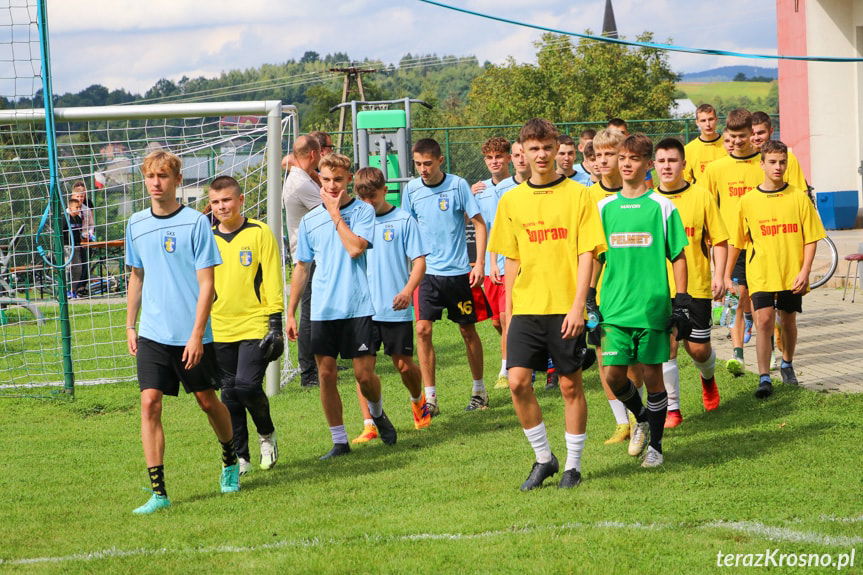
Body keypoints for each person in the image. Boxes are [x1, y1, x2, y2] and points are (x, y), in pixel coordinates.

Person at [488, 118, 605, 490]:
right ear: (521, 152)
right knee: (518, 383)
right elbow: (511, 260)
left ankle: (572, 466)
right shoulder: (511, 200)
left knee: (571, 387)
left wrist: (578, 307)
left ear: (557, 150)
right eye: (533, 148)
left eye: (547, 147)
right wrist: (508, 314)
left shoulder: (580, 195)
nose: (541, 155)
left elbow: (588, 253)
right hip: (526, 308)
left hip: (565, 307)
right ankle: (544, 458)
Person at [125, 151, 238, 515]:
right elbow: (136, 276)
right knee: (149, 402)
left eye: (162, 176)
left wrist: (196, 333)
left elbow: (207, 284)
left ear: (176, 180)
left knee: (207, 401)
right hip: (152, 334)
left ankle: (230, 458)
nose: (156, 182)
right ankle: (159, 493)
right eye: (150, 176)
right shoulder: (136, 224)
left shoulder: (195, 223)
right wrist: (130, 325)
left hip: (192, 336)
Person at [286, 153, 397, 460]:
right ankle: (339, 441)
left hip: (358, 306)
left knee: (364, 375)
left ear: (349, 179)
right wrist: (291, 311)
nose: (332, 185)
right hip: (323, 309)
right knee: (326, 374)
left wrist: (335, 215)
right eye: (326, 180)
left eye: (338, 180)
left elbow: (354, 248)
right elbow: (302, 267)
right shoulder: (309, 221)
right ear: (318, 180)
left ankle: (376, 413)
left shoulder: (363, 212)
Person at [596, 134, 691, 468]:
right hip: (615, 307)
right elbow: (594, 256)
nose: (625, 163)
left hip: (652, 308)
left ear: (648, 164)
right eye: (622, 157)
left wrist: (680, 302)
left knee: (653, 377)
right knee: (613, 375)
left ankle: (657, 448)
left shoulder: (662, 206)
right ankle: (641, 419)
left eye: (634, 158)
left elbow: (678, 256)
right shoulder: (604, 208)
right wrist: (589, 303)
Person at [725, 140, 826, 399]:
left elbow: (811, 238)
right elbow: (737, 242)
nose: (778, 167)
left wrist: (805, 271)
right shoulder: (748, 201)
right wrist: (725, 275)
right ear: (762, 164)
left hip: (792, 273)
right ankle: (763, 377)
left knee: (788, 320)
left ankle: (787, 363)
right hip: (761, 273)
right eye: (772, 162)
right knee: (764, 320)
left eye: (782, 162)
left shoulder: (798, 197)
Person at [403, 138, 489, 414]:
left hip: (457, 274)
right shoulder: (412, 189)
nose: (423, 169)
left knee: (467, 330)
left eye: (428, 163)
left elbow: (479, 222)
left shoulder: (458, 185)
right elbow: (406, 229)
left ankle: (479, 390)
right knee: (422, 329)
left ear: (440, 161)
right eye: (418, 164)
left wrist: (479, 264)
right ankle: (431, 399)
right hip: (427, 274)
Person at [349, 167, 432, 444]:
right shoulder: (354, 223)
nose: (368, 203)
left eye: (373, 196)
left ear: (385, 190)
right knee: (363, 372)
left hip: (395, 307)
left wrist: (408, 290)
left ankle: (418, 400)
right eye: (363, 198)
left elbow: (419, 262)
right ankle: (370, 422)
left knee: (404, 366)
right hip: (361, 309)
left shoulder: (403, 220)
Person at [208, 176, 284, 475]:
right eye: (215, 202)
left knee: (247, 385)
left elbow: (273, 278)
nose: (221, 206)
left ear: (241, 200)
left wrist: (275, 322)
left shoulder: (260, 232)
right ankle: (242, 457)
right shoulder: (206, 237)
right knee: (229, 394)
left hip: (255, 322)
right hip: (219, 325)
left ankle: (267, 435)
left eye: (226, 200)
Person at [654, 138, 729, 425]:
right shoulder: (650, 202)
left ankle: (707, 377)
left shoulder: (702, 196)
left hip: (696, 285)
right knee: (667, 346)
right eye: (661, 161)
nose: (667, 166)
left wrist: (720, 275)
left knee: (697, 349)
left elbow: (719, 240)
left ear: (684, 164)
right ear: (654, 165)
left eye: (672, 160)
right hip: (659, 289)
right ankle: (673, 409)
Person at [586, 129, 638, 447]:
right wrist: (587, 295)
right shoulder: (587, 197)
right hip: (600, 293)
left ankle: (639, 414)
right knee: (605, 357)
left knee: (636, 360)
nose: (603, 161)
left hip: (635, 289)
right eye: (598, 155)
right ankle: (622, 423)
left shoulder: (639, 193)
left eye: (610, 154)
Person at [703, 109, 763, 376]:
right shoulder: (716, 169)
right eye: (733, 136)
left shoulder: (764, 163)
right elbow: (706, 206)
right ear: (726, 134)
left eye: (742, 136)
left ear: (752, 134)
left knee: (759, 300)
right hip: (729, 244)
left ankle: (769, 347)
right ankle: (736, 353)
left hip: (762, 244)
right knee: (732, 298)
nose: (737, 141)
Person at [282, 135, 323, 388]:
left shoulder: (302, 176)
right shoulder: (300, 183)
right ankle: (308, 373)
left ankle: (318, 362)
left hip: (310, 254)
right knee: (308, 313)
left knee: (316, 310)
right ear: (313, 154)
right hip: (305, 258)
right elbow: (332, 208)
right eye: (320, 152)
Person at [472, 137, 513, 389]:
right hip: (489, 265)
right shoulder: (480, 189)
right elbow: (476, 223)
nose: (494, 161)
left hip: (510, 263)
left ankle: (505, 369)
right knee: (497, 321)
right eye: (490, 157)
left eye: (499, 156)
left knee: (508, 318)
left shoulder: (516, 186)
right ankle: (520, 351)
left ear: (508, 158)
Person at [750, 112, 808, 191]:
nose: (756, 138)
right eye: (752, 134)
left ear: (771, 131)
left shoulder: (788, 158)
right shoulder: (741, 160)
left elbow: (801, 193)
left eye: (761, 133)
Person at [684, 104, 727, 184]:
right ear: (697, 122)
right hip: (701, 195)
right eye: (703, 120)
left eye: (711, 119)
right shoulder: (688, 149)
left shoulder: (728, 144)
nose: (708, 124)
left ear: (716, 120)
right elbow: (686, 180)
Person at [70, 181, 95, 295]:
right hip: (72, 241)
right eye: (78, 196)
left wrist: (89, 233)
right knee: (74, 265)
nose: (80, 198)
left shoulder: (87, 209)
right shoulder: (69, 210)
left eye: (82, 196)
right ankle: (72, 289)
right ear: (73, 196)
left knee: (85, 263)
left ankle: (81, 288)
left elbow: (91, 224)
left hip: (85, 240)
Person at [61, 196, 85, 298]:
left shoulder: (79, 218)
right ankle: (66, 291)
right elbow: (60, 233)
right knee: (68, 268)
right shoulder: (65, 219)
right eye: (76, 207)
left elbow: (79, 232)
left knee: (78, 269)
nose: (79, 209)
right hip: (67, 247)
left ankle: (73, 290)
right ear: (70, 208)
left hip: (76, 247)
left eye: (79, 207)